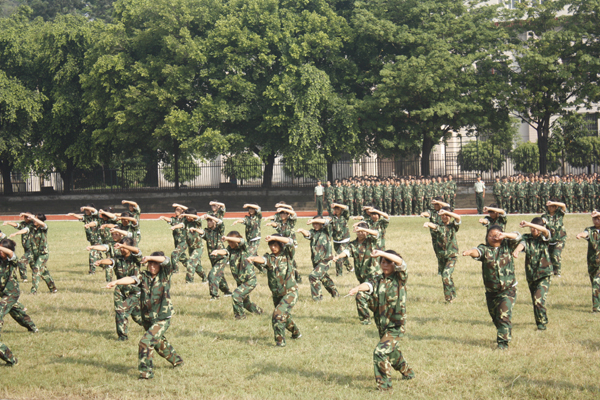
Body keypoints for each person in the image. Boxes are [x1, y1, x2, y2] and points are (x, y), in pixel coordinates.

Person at [106, 252, 183, 379]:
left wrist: (150, 257)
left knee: (145, 342)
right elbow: (132, 279)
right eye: (150, 264)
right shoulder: (144, 276)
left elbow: (166, 260)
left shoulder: (165, 274)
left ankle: (146, 373)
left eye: (155, 264)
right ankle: (177, 361)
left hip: (162, 317)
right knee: (158, 342)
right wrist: (116, 282)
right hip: (147, 318)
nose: (152, 267)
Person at [348, 250, 415, 390]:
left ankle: (384, 388)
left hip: (396, 326)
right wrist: (357, 288)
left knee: (380, 352)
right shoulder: (377, 279)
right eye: (382, 262)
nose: (384, 265)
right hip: (382, 325)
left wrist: (382, 253)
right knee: (391, 352)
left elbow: (401, 263)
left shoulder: (399, 277)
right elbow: (369, 285)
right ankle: (408, 373)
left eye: (388, 262)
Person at [462, 226, 521, 350]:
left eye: (496, 235)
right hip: (491, 292)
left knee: (503, 314)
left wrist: (504, 235)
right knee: (496, 318)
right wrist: (469, 252)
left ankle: (503, 344)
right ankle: (505, 332)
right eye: (490, 235)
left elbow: (517, 236)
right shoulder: (485, 249)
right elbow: (477, 251)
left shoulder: (507, 245)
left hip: (508, 289)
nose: (494, 237)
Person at [248, 235, 301, 347]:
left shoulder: (288, 255)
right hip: (277, 294)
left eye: (275, 245)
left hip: (290, 292)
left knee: (277, 315)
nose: (273, 247)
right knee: (284, 317)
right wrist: (253, 258)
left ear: (281, 245)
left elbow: (290, 242)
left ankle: (280, 342)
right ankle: (296, 332)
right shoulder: (270, 258)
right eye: (271, 245)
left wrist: (274, 237)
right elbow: (263, 260)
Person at [94, 237, 143, 340]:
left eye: (124, 247)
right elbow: (111, 261)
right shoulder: (118, 258)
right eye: (120, 247)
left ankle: (152, 325)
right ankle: (122, 336)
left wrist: (123, 245)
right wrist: (101, 261)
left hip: (134, 290)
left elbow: (138, 251)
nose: (121, 249)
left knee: (135, 316)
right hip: (120, 290)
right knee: (120, 311)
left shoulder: (135, 258)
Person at [0, 239, 39, 366]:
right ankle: (32, 327)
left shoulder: (11, 260)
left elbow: (11, 254)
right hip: (2, 292)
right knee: (16, 311)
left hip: (11, 292)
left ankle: (11, 360)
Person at [333, 222, 380, 324]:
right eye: (358, 231)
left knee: (372, 297)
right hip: (362, 276)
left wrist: (364, 229)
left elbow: (376, 233)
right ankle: (366, 320)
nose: (360, 233)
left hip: (374, 276)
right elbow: (347, 252)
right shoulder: (353, 244)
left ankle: (384, 313)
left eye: (363, 231)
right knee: (362, 296)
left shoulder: (371, 241)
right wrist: (338, 256)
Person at [513, 218, 552, 330]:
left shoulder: (544, 237)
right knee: (535, 300)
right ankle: (540, 320)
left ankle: (542, 323)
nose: (533, 230)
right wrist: (517, 251)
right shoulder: (527, 237)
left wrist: (529, 223)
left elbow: (545, 231)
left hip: (544, 273)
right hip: (531, 274)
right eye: (531, 228)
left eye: (535, 228)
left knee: (538, 299)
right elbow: (522, 244)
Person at [212, 232, 262, 319]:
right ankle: (259, 312)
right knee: (246, 303)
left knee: (236, 295)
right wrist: (217, 251)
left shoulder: (244, 247)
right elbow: (225, 251)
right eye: (229, 242)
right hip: (240, 281)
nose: (230, 244)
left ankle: (240, 318)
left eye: (231, 242)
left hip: (249, 280)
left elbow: (240, 240)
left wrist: (228, 238)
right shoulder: (231, 249)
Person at [10, 213, 57, 294]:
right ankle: (53, 288)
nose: (33, 220)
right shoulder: (31, 227)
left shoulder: (43, 227)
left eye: (35, 218)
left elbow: (43, 224)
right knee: (43, 272)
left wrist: (32, 217)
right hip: (33, 253)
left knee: (36, 270)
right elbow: (25, 230)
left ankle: (33, 291)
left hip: (43, 254)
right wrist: (16, 233)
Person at [423, 207, 461, 303]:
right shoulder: (439, 226)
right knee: (446, 277)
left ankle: (449, 299)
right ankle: (453, 294)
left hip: (452, 256)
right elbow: (435, 227)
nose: (444, 217)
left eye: (447, 215)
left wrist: (447, 212)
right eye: (443, 215)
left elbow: (458, 218)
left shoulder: (453, 226)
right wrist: (428, 224)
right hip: (441, 256)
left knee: (446, 275)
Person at [190, 214, 232, 300]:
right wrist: (195, 229)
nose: (209, 222)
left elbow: (220, 222)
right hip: (213, 258)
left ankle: (214, 295)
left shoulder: (219, 230)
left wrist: (211, 216)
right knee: (219, 275)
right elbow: (203, 232)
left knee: (212, 275)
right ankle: (227, 292)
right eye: (208, 221)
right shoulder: (208, 231)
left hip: (222, 257)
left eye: (211, 221)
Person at [298, 217, 339, 301]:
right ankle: (335, 294)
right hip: (316, 261)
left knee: (313, 276)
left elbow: (326, 221)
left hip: (326, 260)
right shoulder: (313, 232)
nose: (315, 225)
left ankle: (317, 299)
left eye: (317, 223)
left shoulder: (327, 230)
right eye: (314, 224)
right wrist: (302, 230)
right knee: (324, 278)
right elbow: (308, 234)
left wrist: (313, 220)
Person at [576, 210, 600, 313]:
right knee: (595, 285)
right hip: (592, 262)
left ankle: (596, 309)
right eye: (595, 219)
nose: (596, 221)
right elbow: (586, 234)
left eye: (598, 218)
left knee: (596, 283)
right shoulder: (590, 230)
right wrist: (580, 235)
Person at [67, 205, 102, 275]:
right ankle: (106, 265)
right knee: (98, 257)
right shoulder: (86, 217)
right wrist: (73, 214)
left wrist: (85, 207)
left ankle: (92, 272)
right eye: (85, 210)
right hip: (92, 239)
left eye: (87, 210)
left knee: (92, 254)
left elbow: (94, 210)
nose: (86, 211)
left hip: (98, 239)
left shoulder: (95, 216)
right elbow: (81, 217)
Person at [159, 203, 188, 274]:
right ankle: (192, 267)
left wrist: (178, 205)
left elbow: (188, 209)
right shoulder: (175, 219)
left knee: (174, 254)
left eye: (178, 210)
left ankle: (175, 271)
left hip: (184, 241)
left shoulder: (185, 219)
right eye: (175, 210)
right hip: (177, 242)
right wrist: (163, 217)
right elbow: (170, 220)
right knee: (182, 258)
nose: (176, 211)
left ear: (182, 211)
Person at [3, 216, 33, 282]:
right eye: (25, 217)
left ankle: (24, 278)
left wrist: (16, 233)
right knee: (35, 266)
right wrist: (8, 222)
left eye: (27, 217)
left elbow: (25, 230)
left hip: (33, 249)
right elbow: (17, 225)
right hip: (27, 249)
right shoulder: (24, 224)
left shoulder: (32, 225)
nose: (26, 218)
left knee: (21, 262)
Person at [542, 199, 567, 277]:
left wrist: (553, 202)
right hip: (549, 239)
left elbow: (563, 205)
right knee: (548, 256)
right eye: (550, 206)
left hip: (560, 238)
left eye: (553, 206)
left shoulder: (559, 214)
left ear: (556, 207)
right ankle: (550, 270)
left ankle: (557, 272)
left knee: (556, 254)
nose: (551, 208)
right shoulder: (545, 216)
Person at [181, 209, 205, 283]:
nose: (188, 218)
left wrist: (185, 214)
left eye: (189, 216)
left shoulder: (197, 222)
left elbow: (196, 217)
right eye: (187, 216)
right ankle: (205, 278)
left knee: (190, 263)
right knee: (197, 265)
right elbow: (182, 224)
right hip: (191, 247)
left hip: (198, 247)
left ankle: (189, 281)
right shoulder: (186, 222)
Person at [329, 203, 352, 276]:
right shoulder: (332, 218)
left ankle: (339, 274)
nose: (336, 210)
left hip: (344, 240)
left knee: (338, 256)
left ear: (341, 209)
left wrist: (336, 204)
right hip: (336, 241)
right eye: (335, 209)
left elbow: (347, 207)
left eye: (338, 209)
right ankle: (350, 268)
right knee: (342, 256)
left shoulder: (344, 216)